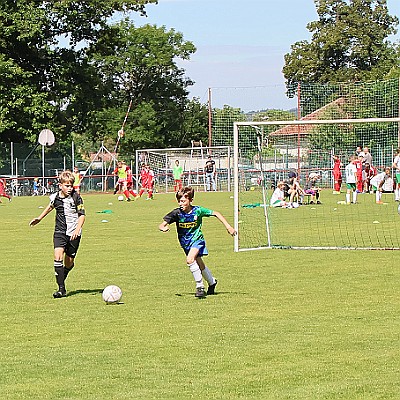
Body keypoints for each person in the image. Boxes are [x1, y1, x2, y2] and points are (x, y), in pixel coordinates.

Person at [159, 186, 236, 298]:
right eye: (179, 201)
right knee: (199, 262)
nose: (181, 203)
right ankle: (212, 282)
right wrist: (163, 228)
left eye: (184, 201)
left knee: (190, 260)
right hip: (185, 243)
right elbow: (162, 224)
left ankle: (200, 287)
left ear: (191, 200)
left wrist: (228, 227)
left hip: (197, 240)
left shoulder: (198, 211)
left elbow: (216, 213)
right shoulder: (176, 213)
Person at [29, 170, 85, 298]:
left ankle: (62, 275)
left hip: (74, 233)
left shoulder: (76, 197)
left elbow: (82, 215)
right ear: (60, 185)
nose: (70, 188)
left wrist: (77, 229)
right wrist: (39, 218)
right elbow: (50, 206)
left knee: (69, 262)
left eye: (71, 185)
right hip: (59, 232)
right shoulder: (55, 197)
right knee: (57, 256)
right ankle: (61, 289)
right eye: (67, 185)